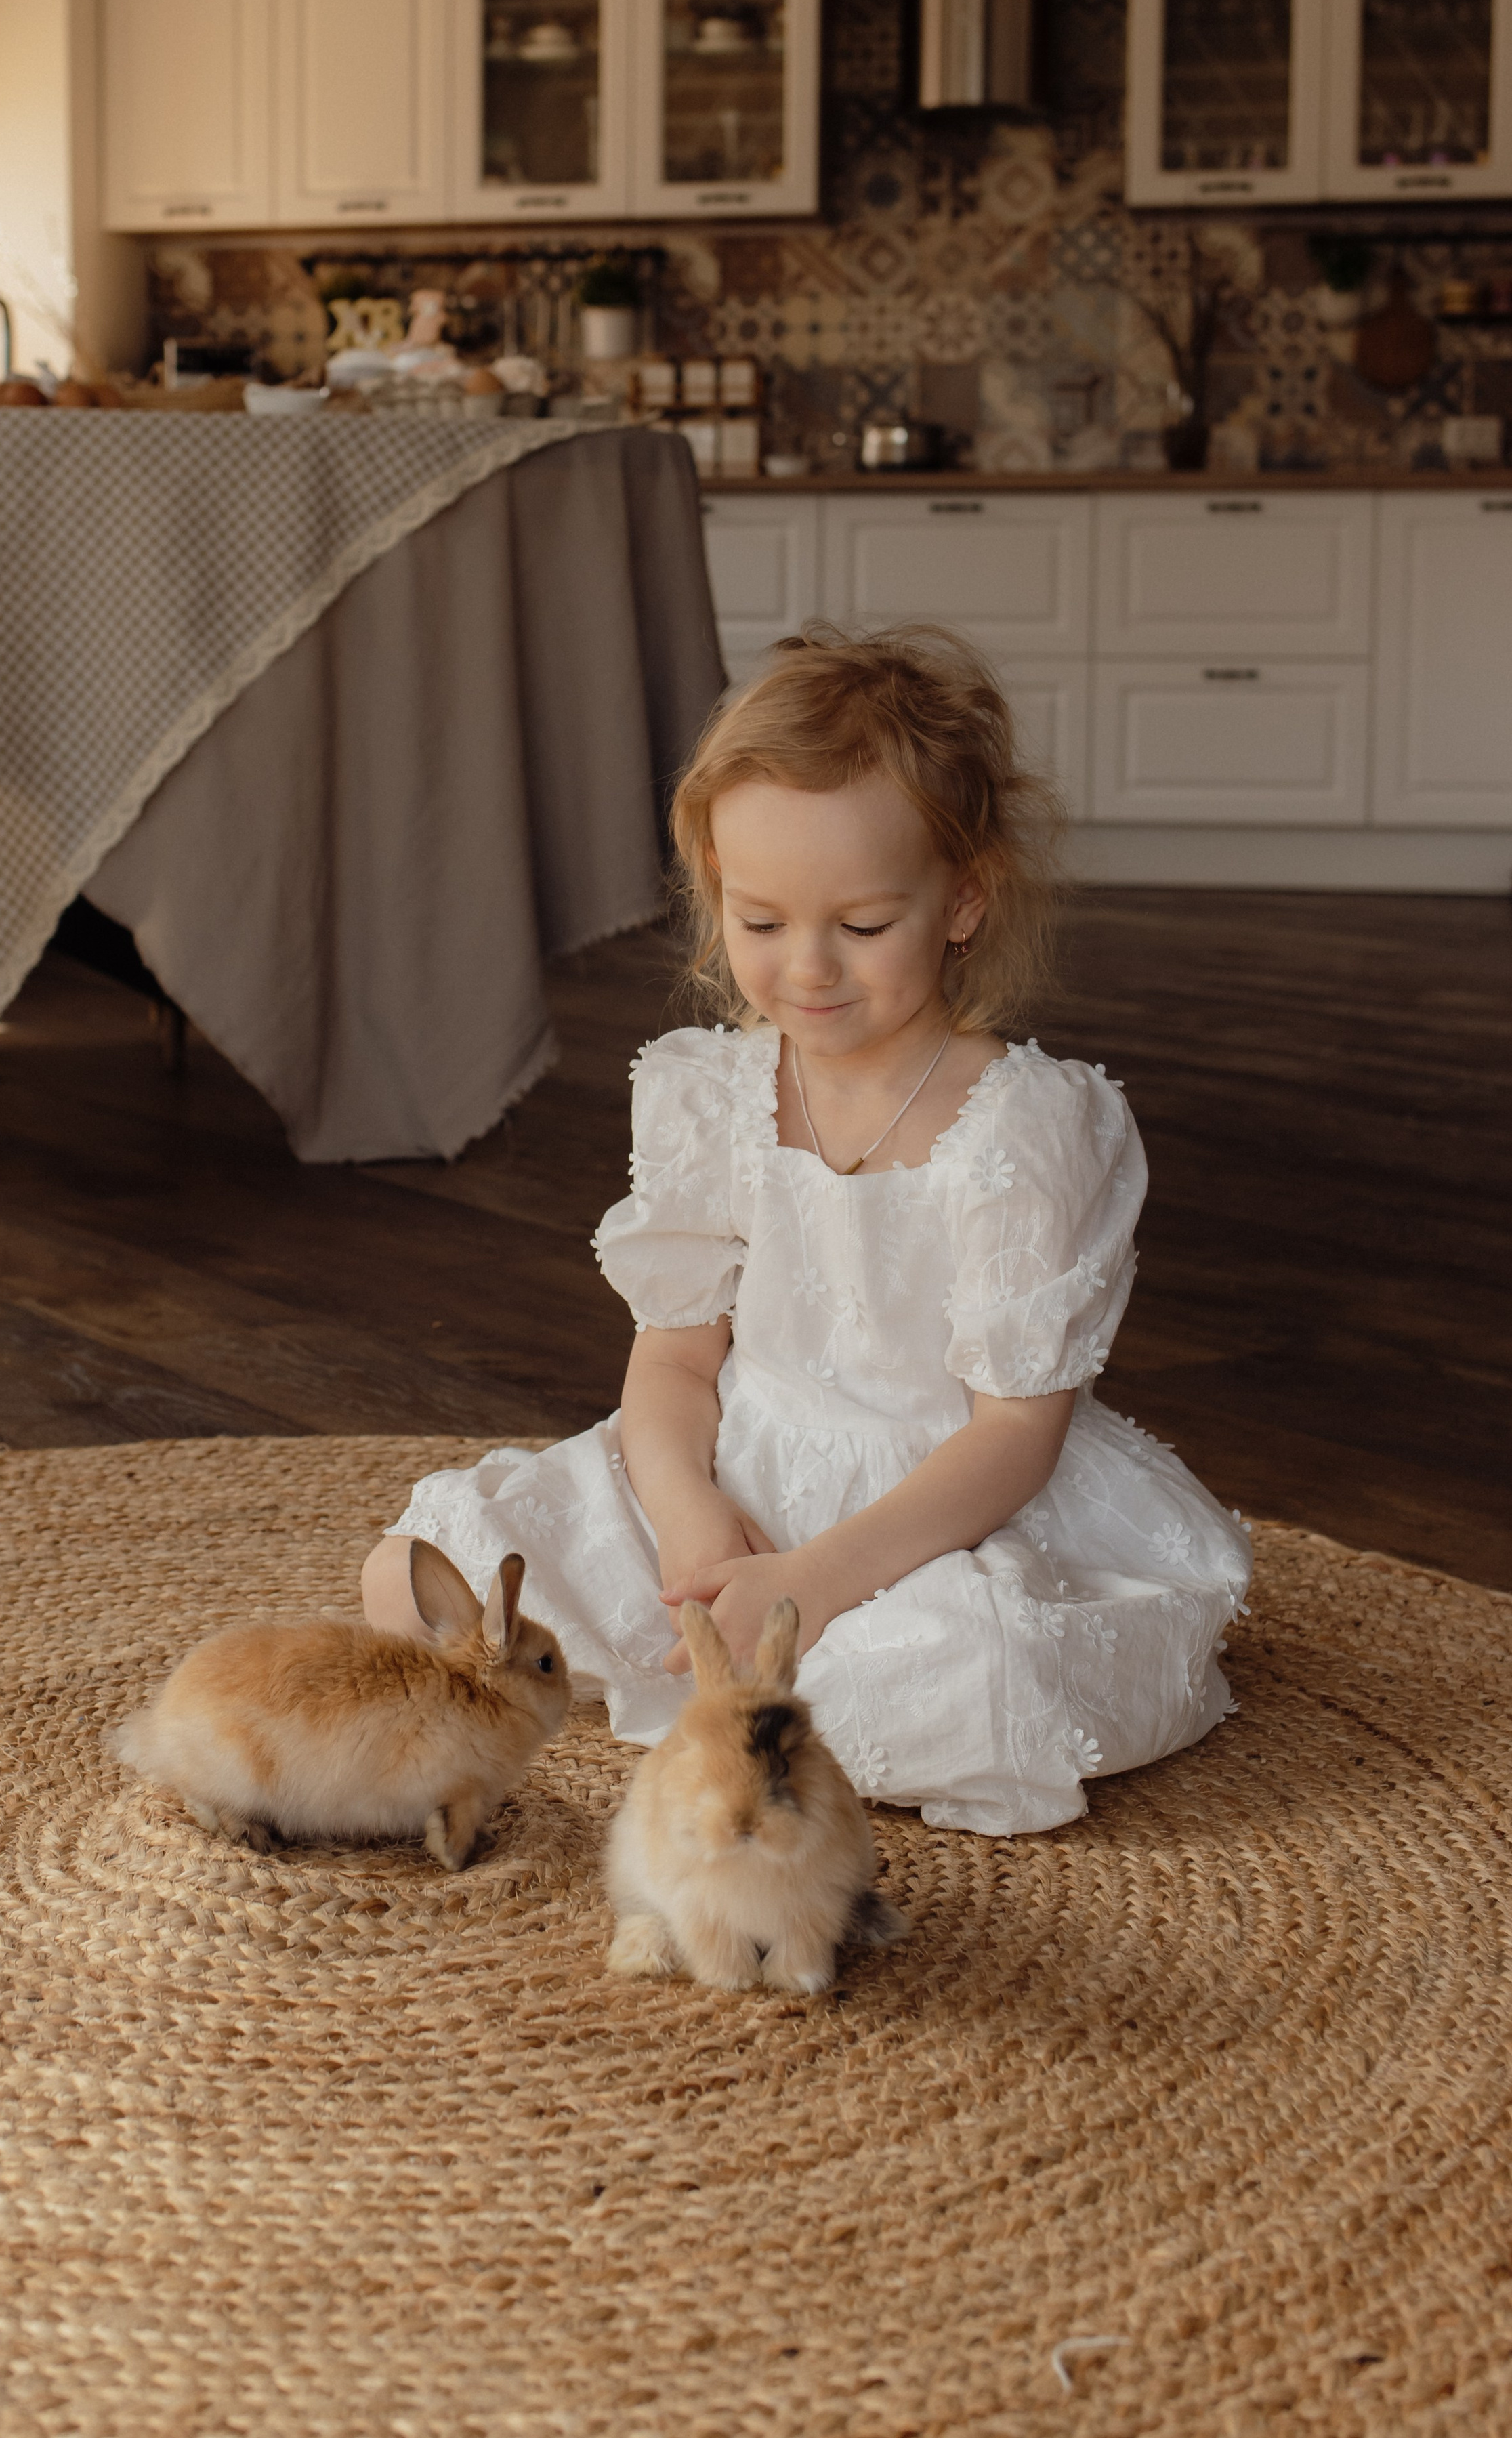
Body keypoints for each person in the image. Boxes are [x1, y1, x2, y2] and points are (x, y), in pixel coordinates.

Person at [361, 625, 1251, 1836]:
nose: (809, 969)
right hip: (735, 1473)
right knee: (418, 1577)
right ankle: (732, 1691)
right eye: (763, 922)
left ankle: (777, 1699)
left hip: (937, 1516)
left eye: (864, 925)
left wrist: (812, 1584)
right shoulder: (710, 1094)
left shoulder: (1026, 1127)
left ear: (963, 900)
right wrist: (688, 1520)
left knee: (968, 1685)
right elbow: (675, 1362)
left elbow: (1011, 1440)